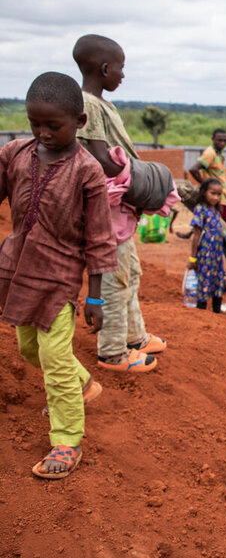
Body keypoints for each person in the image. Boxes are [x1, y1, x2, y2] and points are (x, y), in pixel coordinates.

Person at [1, 72, 118, 478]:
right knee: (28, 350)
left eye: (54, 125)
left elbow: (100, 238)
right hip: (19, 270)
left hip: (60, 279)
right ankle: (83, 383)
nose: (43, 133)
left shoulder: (87, 171)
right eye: (36, 124)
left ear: (79, 122)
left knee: (53, 358)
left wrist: (97, 297)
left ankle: (67, 441)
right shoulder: (15, 154)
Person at [73, 34, 165, 372]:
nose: (123, 75)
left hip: (119, 209)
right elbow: (100, 157)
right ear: (105, 68)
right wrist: (141, 181)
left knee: (131, 272)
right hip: (105, 209)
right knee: (114, 278)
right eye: (121, 68)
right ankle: (112, 350)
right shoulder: (87, 104)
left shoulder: (103, 104)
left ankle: (133, 336)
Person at [188, 179, 226, 313]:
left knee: (217, 280)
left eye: (219, 194)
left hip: (216, 256)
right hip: (205, 254)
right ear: (204, 192)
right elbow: (196, 235)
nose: (216, 197)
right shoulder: (200, 209)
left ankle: (216, 311)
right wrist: (192, 258)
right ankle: (201, 311)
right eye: (212, 193)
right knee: (204, 279)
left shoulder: (216, 210)